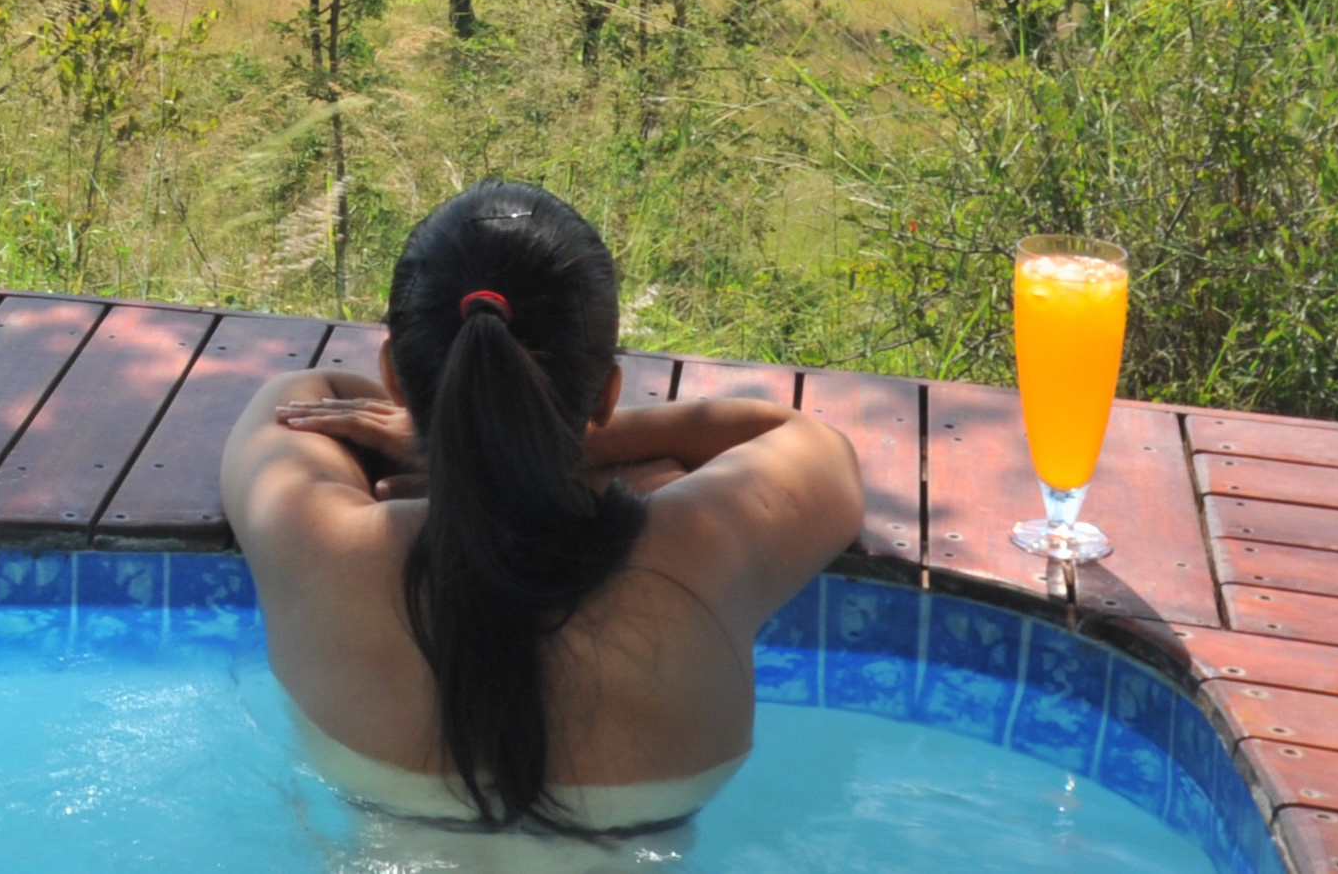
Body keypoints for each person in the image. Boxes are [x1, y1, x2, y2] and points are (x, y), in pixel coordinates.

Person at [219, 182, 864, 850]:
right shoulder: (702, 549)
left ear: (392, 375)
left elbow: (299, 395)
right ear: (607, 394)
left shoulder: (316, 540)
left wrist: (458, 439)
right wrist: (555, 442)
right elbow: (817, 447)